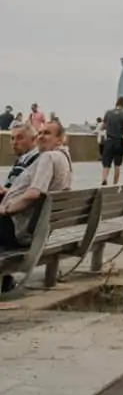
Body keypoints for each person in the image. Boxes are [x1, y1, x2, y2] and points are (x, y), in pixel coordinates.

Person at [0, 121, 72, 292]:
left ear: (61, 139)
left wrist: (6, 209)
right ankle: (5, 281)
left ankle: (5, 280)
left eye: (47, 133)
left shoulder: (48, 157)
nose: (40, 137)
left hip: (22, 231)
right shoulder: (64, 158)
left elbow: (34, 193)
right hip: (40, 229)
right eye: (39, 133)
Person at [0, 124, 40, 197]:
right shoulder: (24, 159)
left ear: (34, 139)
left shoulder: (33, 162)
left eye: (20, 138)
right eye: (12, 138)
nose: (14, 143)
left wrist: (5, 190)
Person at [101, 96, 123, 186]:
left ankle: (104, 179)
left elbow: (103, 126)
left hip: (109, 141)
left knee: (106, 163)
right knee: (117, 164)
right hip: (118, 142)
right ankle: (115, 183)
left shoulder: (108, 113)